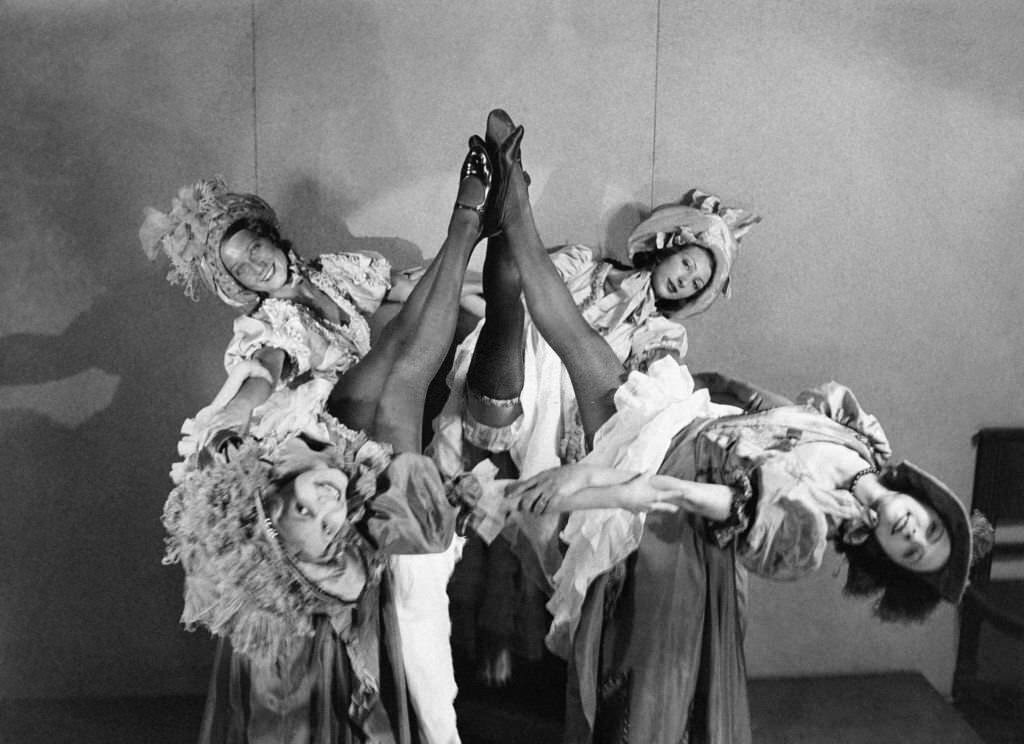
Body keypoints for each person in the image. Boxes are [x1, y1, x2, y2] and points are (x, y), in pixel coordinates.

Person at [456, 109, 991, 744]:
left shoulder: (809, 526)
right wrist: (715, 386)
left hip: (667, 486)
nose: (911, 530)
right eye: (928, 527)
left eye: (912, 550)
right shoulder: (860, 439)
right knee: (573, 337)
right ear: (924, 501)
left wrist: (586, 482)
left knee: (573, 349)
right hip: (681, 419)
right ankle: (511, 189)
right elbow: (768, 408)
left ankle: (510, 198)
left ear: (888, 556)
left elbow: (681, 495)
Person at [145, 145, 489, 743]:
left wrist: (508, 283)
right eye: (239, 269)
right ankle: (468, 218)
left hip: (370, 419)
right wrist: (231, 415)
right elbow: (261, 374)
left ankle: (475, 227)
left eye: (254, 250)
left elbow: (416, 286)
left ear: (273, 239)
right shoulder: (270, 323)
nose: (255, 268)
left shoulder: (338, 272)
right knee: (396, 361)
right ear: (235, 286)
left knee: (406, 354)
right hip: (321, 425)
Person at [428, 109, 760, 684]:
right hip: (515, 362)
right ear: (667, 246)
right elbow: (530, 290)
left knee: (560, 362)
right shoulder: (584, 264)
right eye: (687, 263)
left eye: (697, 283)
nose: (685, 280)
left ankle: (511, 205)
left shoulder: (664, 333)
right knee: (520, 317)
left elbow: (637, 390)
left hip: (574, 418)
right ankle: (510, 210)